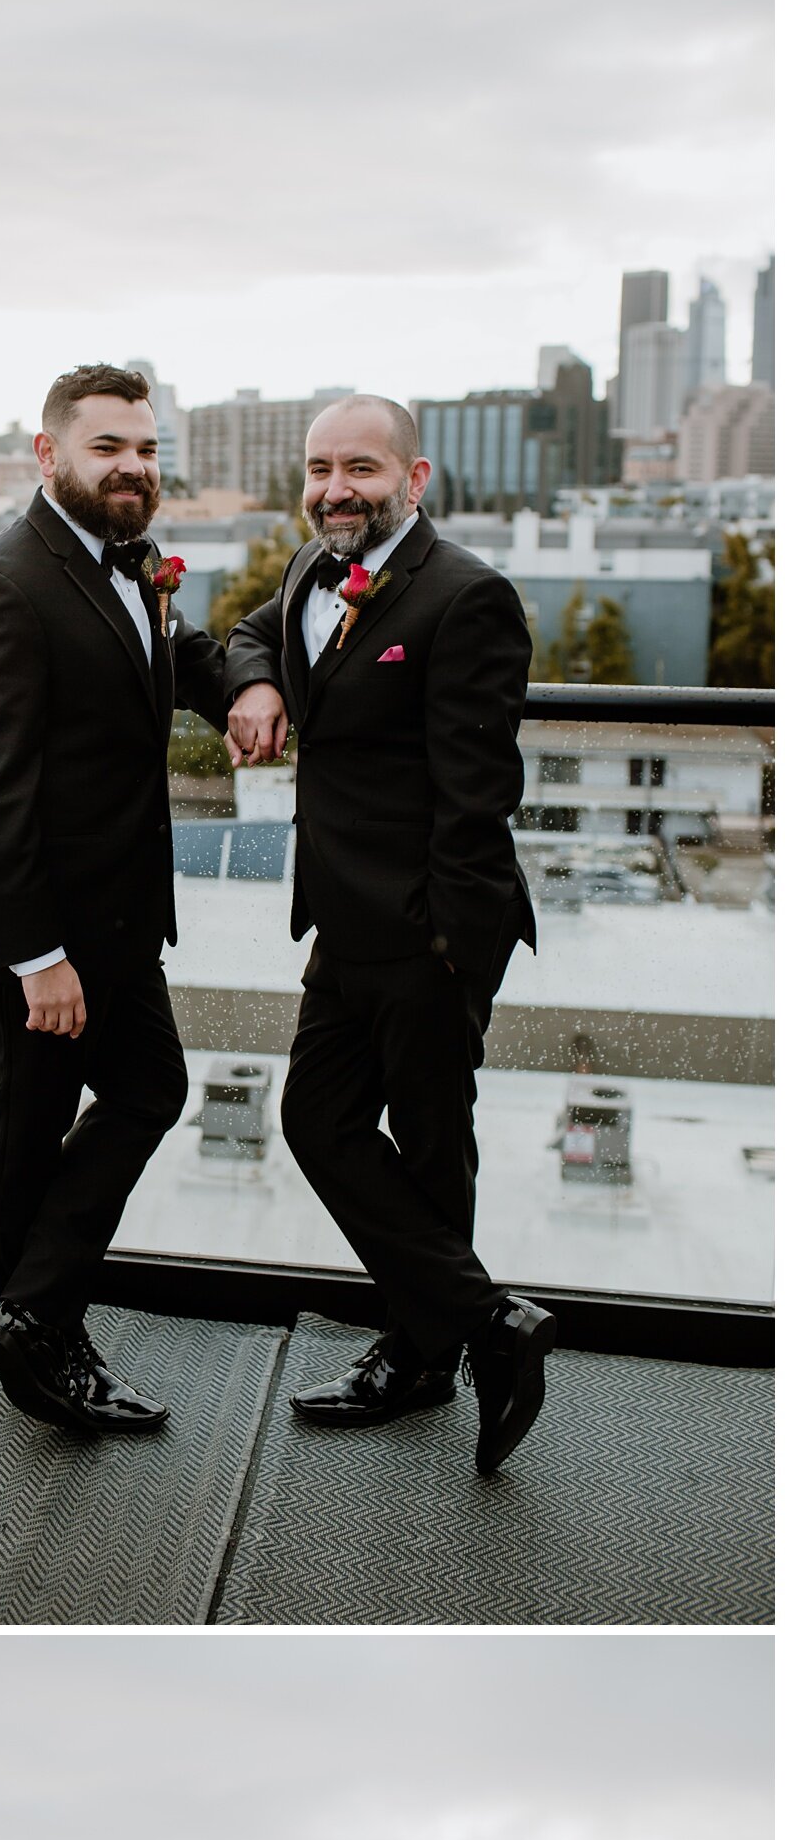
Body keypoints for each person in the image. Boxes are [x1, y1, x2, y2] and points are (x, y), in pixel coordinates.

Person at [225, 396, 551, 1472]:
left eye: (359, 466)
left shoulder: (468, 597)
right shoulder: (310, 574)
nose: (333, 487)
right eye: (319, 467)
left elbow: (477, 797)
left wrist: (453, 952)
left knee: (429, 1136)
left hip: (428, 928)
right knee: (319, 1119)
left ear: (415, 477)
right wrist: (261, 681)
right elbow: (245, 634)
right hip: (346, 924)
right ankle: (485, 1324)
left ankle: (424, 1353)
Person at [0, 364, 229, 1437]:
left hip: (115, 917)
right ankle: (40, 1331)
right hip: (46, 930)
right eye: (109, 447)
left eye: (146, 449)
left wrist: (245, 684)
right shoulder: (4, 586)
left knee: (137, 1091)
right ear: (49, 456)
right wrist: (36, 956)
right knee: (34, 1122)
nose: (134, 467)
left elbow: (175, 654)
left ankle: (33, 1319)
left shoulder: (126, 565)